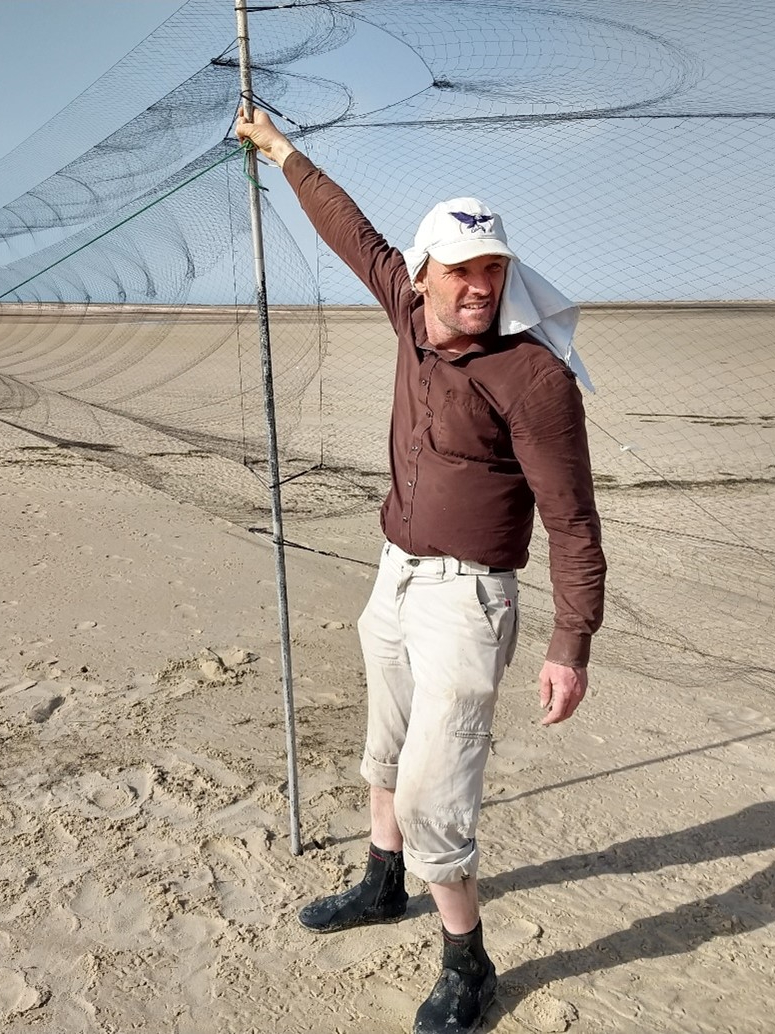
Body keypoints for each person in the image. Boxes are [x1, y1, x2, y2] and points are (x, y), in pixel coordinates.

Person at [236, 107, 606, 1034]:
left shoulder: (531, 378)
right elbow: (348, 230)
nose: (480, 286)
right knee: (384, 751)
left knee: (434, 788)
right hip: (394, 577)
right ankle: (381, 880)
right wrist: (283, 152)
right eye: (463, 270)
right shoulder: (406, 306)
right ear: (428, 272)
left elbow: (571, 520)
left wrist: (570, 644)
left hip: (468, 601)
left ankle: (468, 964)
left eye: (494, 270)